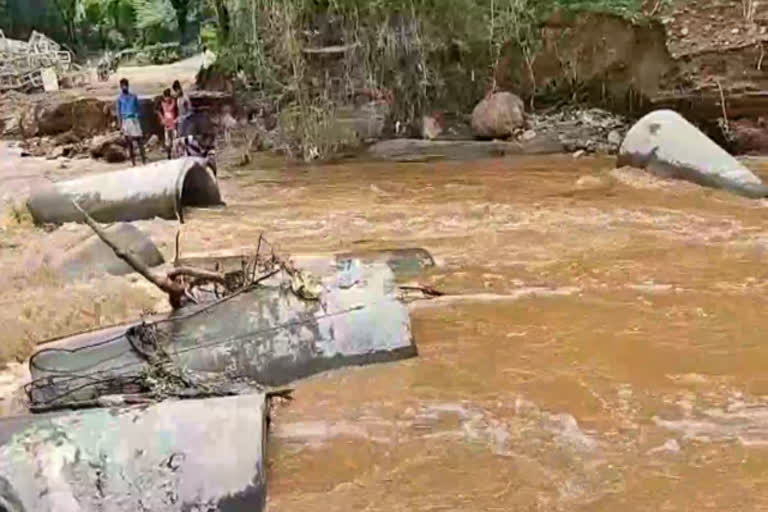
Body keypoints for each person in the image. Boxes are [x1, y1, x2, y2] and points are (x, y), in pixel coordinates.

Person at [115, 78, 146, 166]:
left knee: (139, 140)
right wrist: (120, 125)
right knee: (129, 142)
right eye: (123, 86)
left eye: (125, 85)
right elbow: (119, 112)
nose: (124, 87)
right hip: (126, 121)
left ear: (128, 86)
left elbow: (138, 108)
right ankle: (133, 162)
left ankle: (143, 160)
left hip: (134, 119)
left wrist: (137, 117)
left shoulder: (133, 97)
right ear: (121, 87)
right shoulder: (119, 99)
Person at [156, 88, 178, 159]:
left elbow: (178, 111)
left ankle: (176, 154)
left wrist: (176, 119)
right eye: (166, 97)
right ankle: (169, 155)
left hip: (173, 123)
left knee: (174, 139)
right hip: (166, 124)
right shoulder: (162, 103)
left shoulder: (174, 102)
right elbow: (157, 111)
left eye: (168, 97)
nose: (167, 99)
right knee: (167, 140)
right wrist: (162, 119)